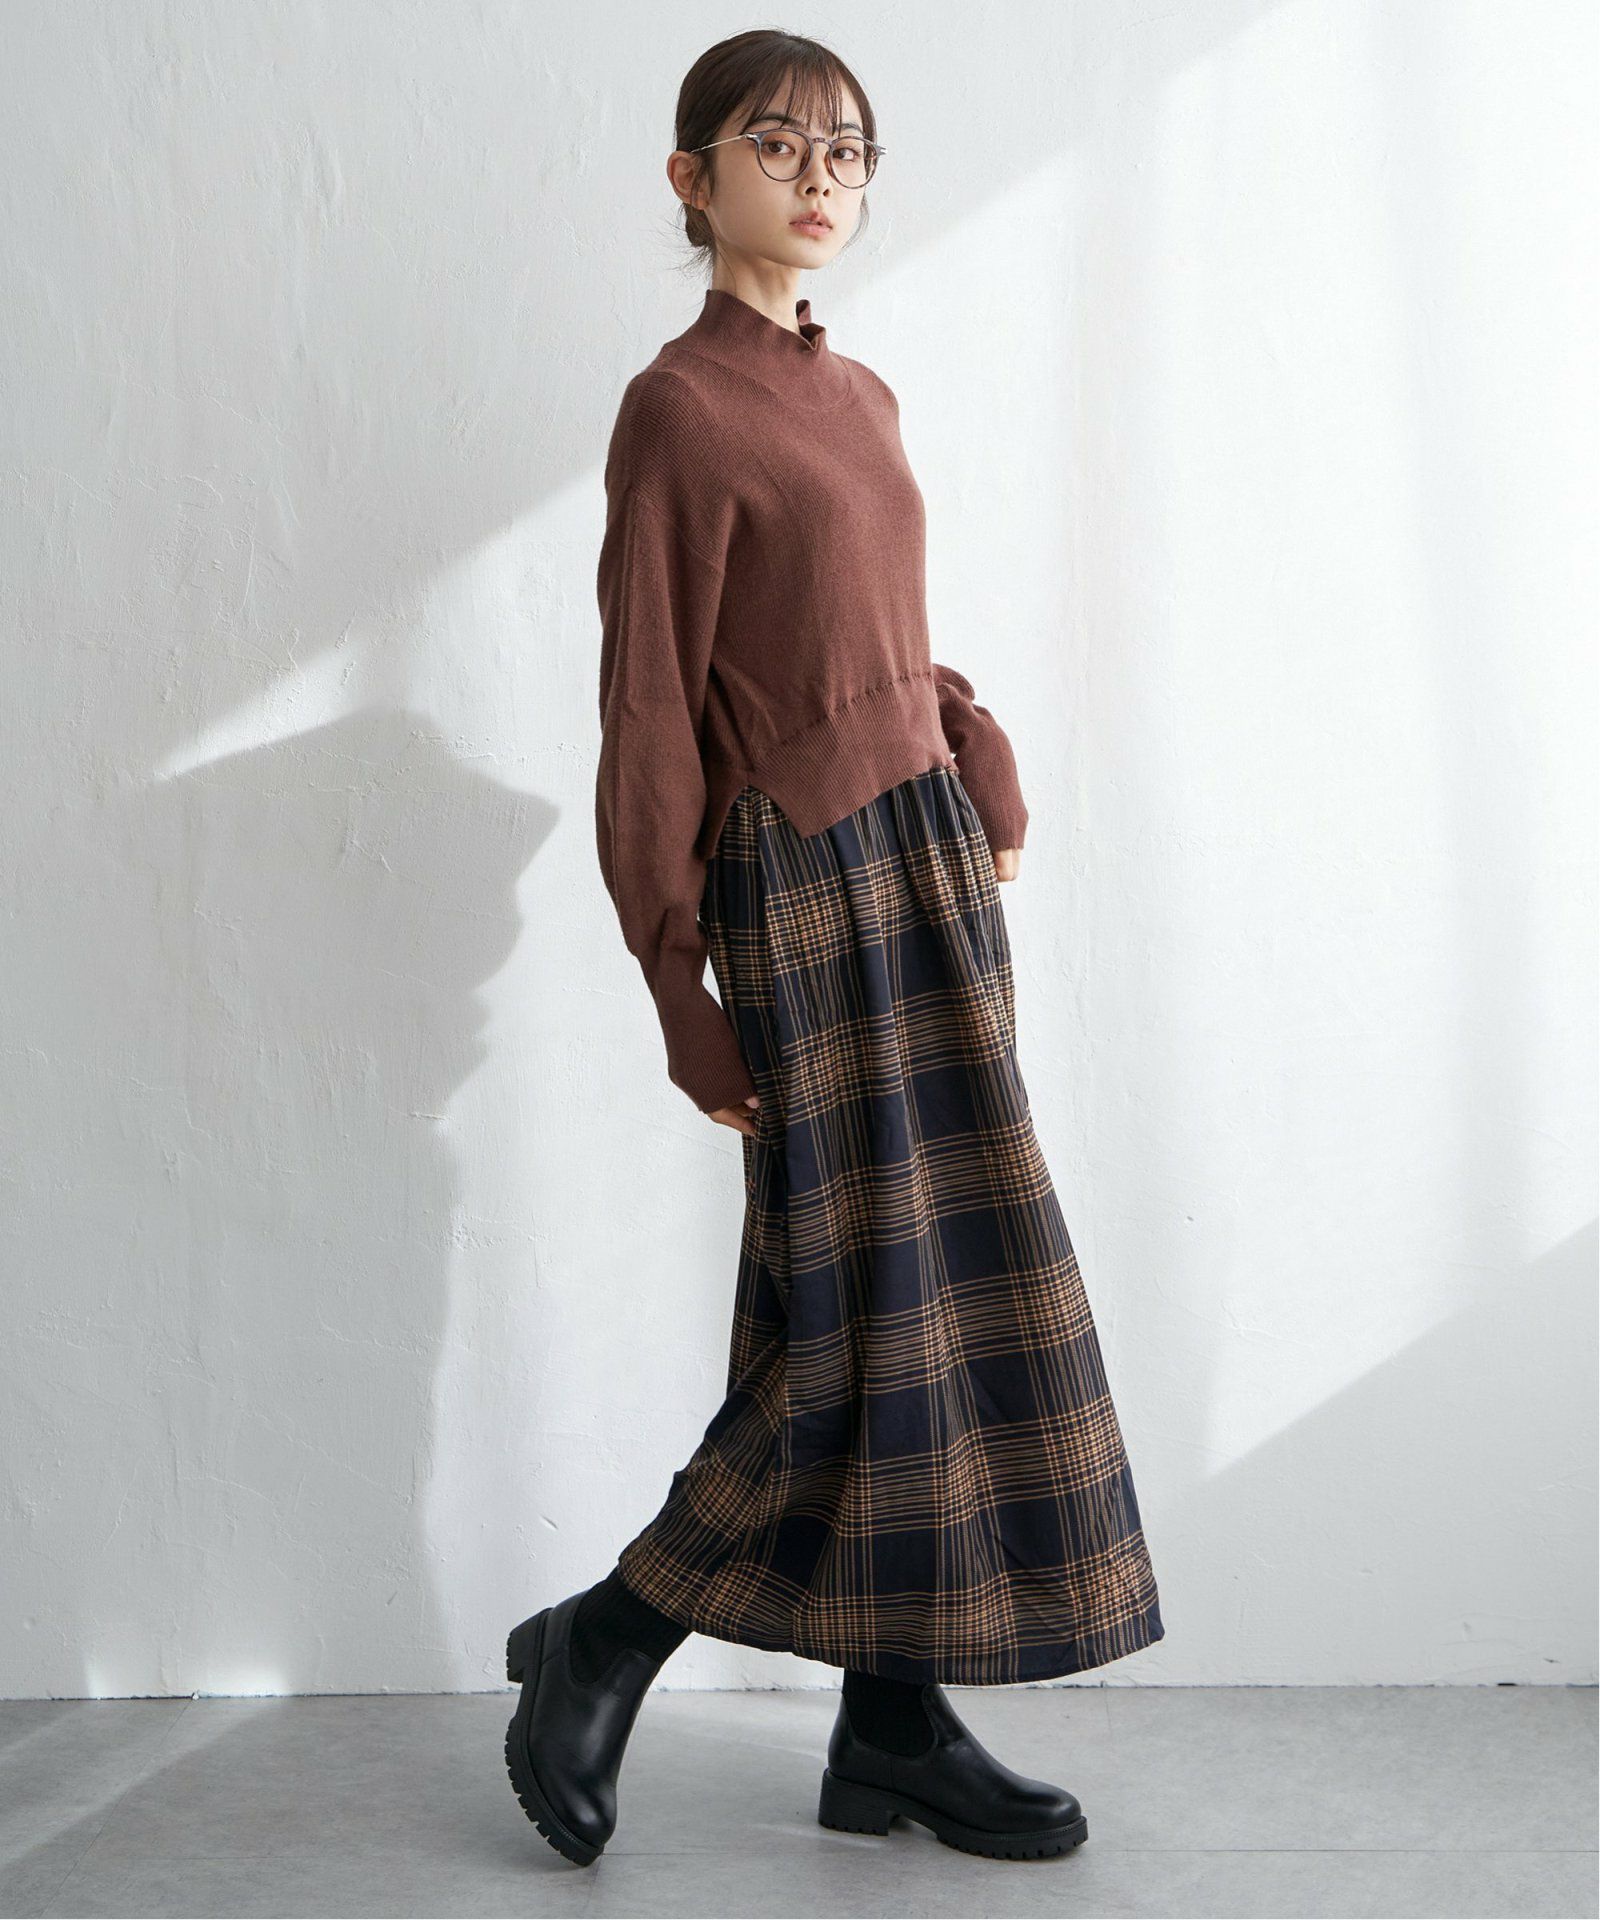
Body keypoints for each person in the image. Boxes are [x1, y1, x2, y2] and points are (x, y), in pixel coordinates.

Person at [504, 28, 1163, 1868]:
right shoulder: (678, 409)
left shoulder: (859, 396)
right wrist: (673, 979)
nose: (819, 178)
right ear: (692, 176)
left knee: (928, 1295)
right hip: (802, 885)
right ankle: (606, 1637)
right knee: (860, 1308)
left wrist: (968, 731)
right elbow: (652, 703)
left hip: (929, 868)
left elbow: (870, 631)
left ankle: (890, 1728)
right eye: (777, 144)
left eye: (848, 152)